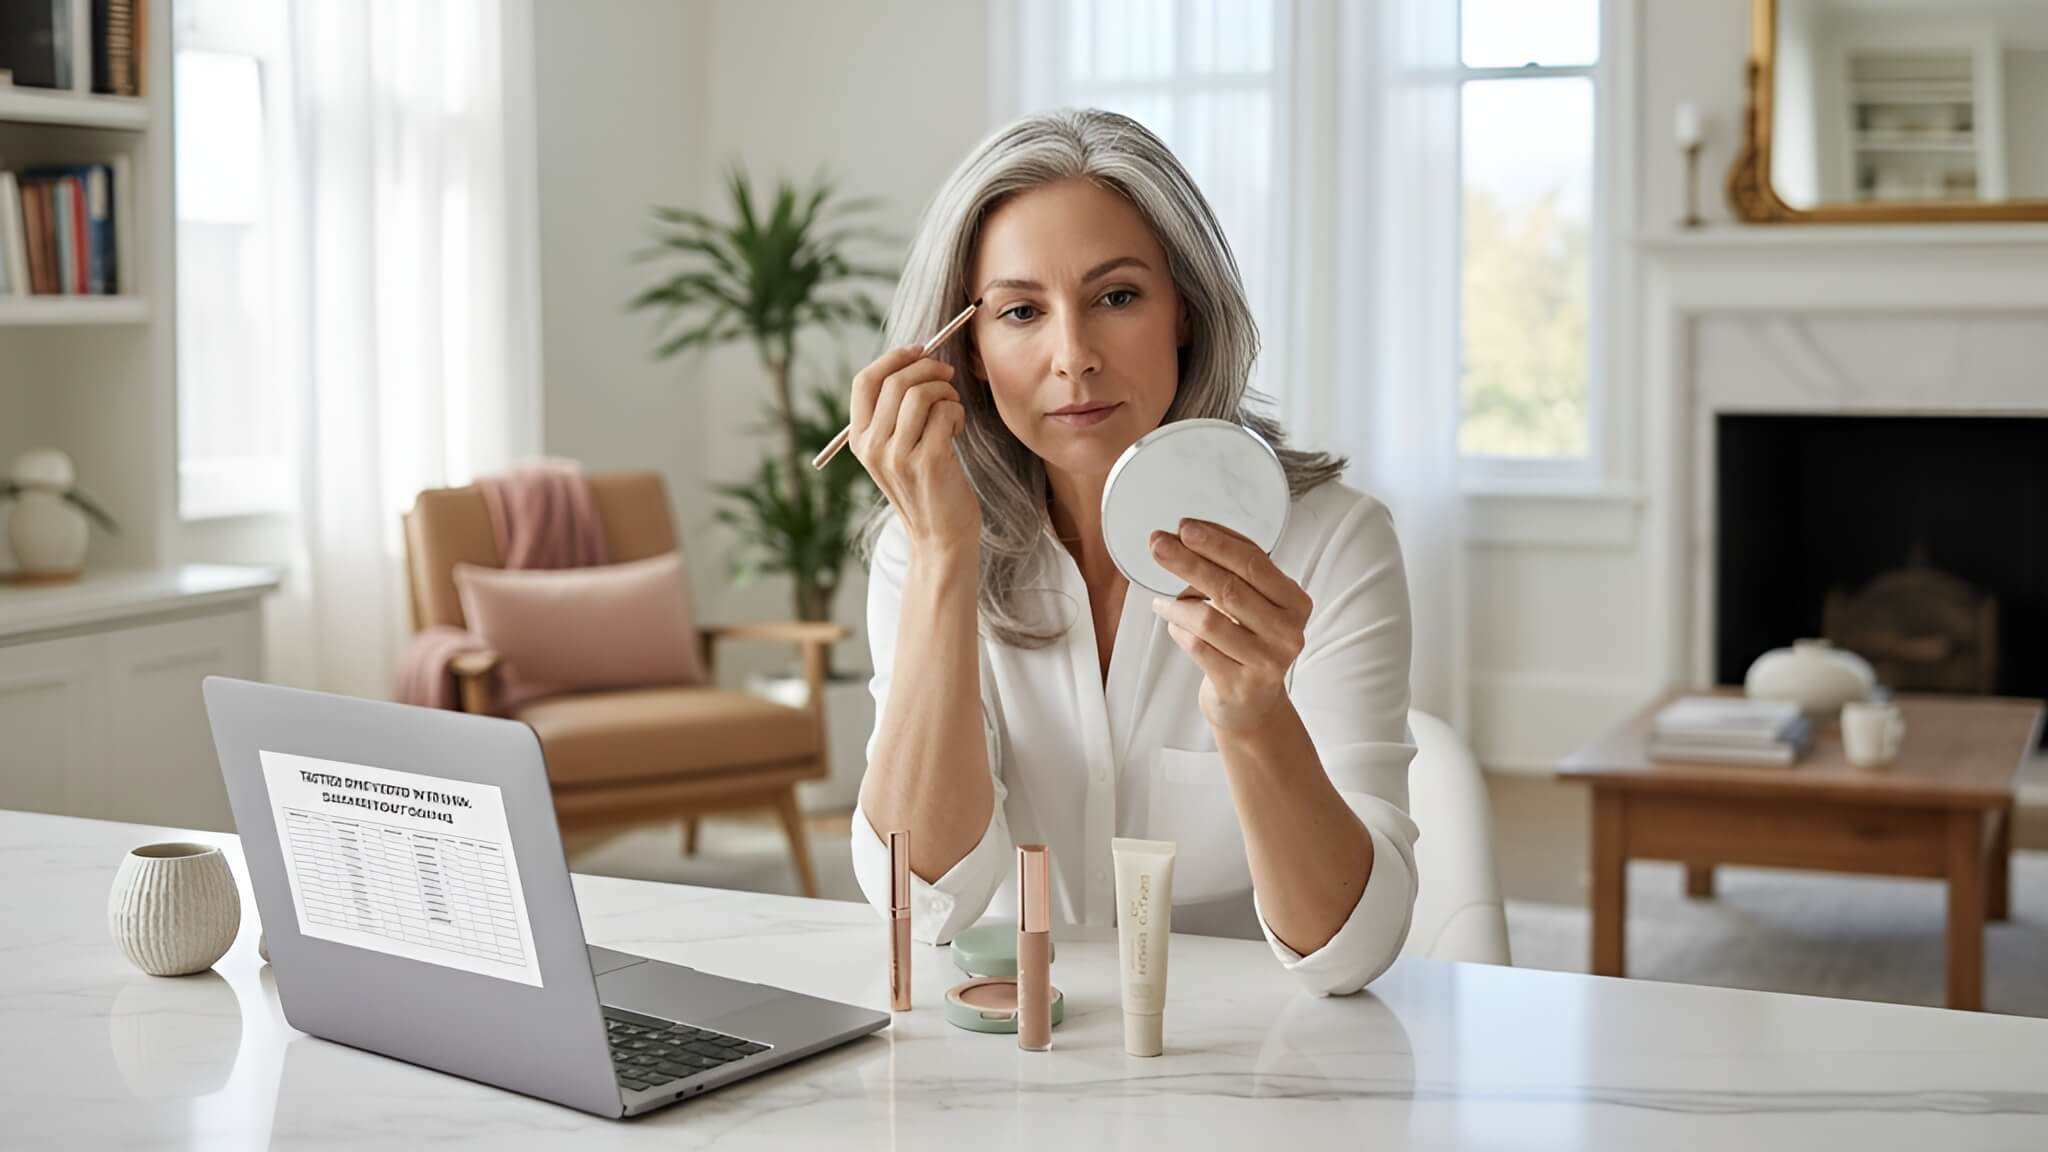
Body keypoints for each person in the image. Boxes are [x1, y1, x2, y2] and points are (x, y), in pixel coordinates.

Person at [846, 109, 1416, 996]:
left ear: (1184, 310)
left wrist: (1255, 712)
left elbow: (1350, 953)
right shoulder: (920, 546)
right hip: (1014, 1063)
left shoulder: (1333, 542)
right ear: (966, 355)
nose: (1073, 358)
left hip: (1252, 1069)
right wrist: (943, 560)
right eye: (1021, 311)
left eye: (1116, 297)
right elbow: (914, 908)